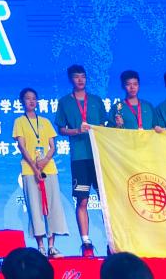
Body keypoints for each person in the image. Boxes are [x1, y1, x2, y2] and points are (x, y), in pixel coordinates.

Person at [54, 64, 108, 257]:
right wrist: (77, 130)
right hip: (79, 157)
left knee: (105, 201)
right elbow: (61, 129)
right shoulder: (64, 102)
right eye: (77, 77)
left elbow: (104, 125)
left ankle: (112, 239)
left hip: (99, 156)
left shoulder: (96, 101)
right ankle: (86, 242)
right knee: (82, 200)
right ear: (71, 79)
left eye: (83, 76)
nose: (80, 80)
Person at [13, 88, 68, 257]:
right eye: (28, 98)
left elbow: (52, 147)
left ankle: (52, 246)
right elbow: (22, 147)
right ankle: (41, 247)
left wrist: (44, 161)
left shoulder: (45, 121)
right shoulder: (19, 122)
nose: (31, 101)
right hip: (30, 170)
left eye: (34, 98)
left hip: (48, 169)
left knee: (52, 206)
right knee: (35, 207)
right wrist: (35, 166)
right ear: (22, 101)